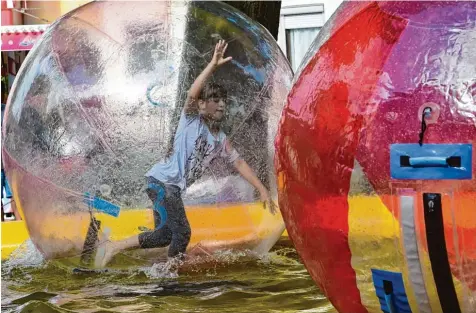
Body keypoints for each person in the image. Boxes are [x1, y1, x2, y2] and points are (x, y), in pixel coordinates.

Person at [95, 40, 277, 268]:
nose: (221, 105)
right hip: (162, 183)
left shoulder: (219, 139)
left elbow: (239, 163)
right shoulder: (191, 119)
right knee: (182, 233)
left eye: (224, 101)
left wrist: (261, 189)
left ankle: (114, 246)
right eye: (215, 100)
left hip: (169, 187)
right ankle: (169, 275)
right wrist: (212, 64)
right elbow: (192, 93)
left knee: (164, 236)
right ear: (201, 105)